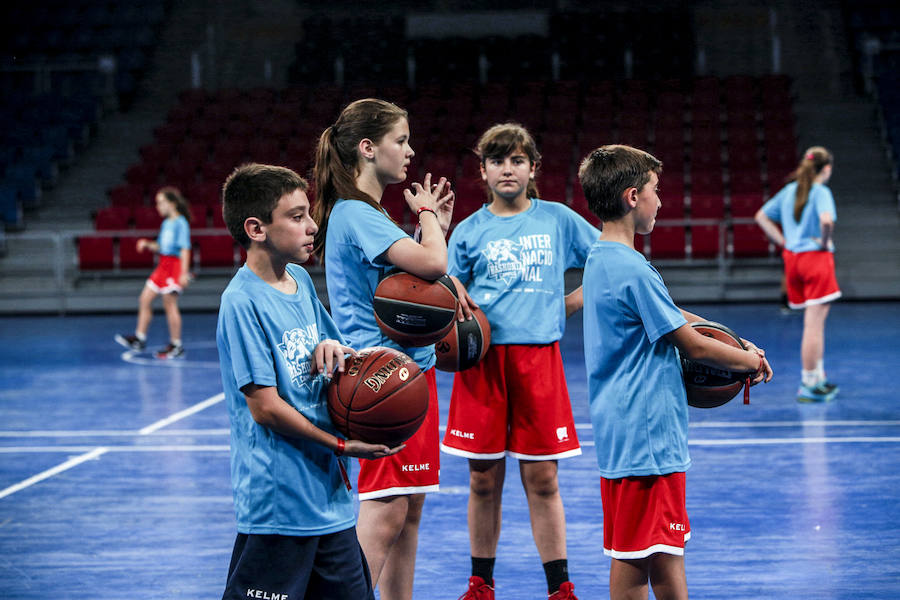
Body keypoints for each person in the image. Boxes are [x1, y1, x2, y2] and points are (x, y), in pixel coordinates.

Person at [577, 144, 773, 600]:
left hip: (620, 429)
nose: (660, 201)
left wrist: (741, 342)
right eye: (655, 190)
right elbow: (690, 342)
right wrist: (749, 362)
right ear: (632, 197)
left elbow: (669, 313)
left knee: (641, 553)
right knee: (659, 555)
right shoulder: (632, 268)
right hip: (649, 435)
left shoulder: (601, 258)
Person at [216, 163, 403, 600]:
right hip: (280, 504)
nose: (311, 225)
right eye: (296, 216)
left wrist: (336, 351)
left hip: (329, 498)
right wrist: (342, 445)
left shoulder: (298, 279)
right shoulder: (241, 303)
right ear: (256, 228)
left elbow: (339, 350)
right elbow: (265, 408)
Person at [312, 98, 474, 600]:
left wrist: (435, 234)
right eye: (400, 141)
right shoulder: (357, 213)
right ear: (367, 148)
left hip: (406, 373)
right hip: (381, 382)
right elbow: (429, 264)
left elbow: (417, 275)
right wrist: (427, 217)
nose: (409, 151)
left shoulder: (367, 214)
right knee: (385, 510)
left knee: (407, 510)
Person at [440, 123, 599, 600]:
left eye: (516, 160)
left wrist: (568, 302)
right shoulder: (469, 231)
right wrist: (453, 294)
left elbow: (613, 257)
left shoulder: (558, 219)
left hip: (539, 361)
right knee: (483, 478)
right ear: (483, 170)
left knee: (543, 477)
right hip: (482, 365)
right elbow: (445, 292)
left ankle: (560, 587)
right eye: (497, 161)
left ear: (533, 169)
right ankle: (481, 582)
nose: (506, 169)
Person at [755, 146, 840, 402]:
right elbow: (827, 221)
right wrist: (825, 243)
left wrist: (784, 241)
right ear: (826, 169)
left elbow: (761, 217)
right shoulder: (821, 191)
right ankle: (808, 384)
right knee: (814, 326)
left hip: (793, 261)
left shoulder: (790, 190)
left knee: (811, 324)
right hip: (816, 258)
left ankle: (817, 378)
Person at [114, 186, 192, 359]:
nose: (158, 207)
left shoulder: (181, 223)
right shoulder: (166, 223)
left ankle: (176, 345)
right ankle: (139, 339)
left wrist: (183, 273)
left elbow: (185, 249)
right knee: (145, 299)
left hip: (174, 266)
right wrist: (147, 244)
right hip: (162, 265)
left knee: (169, 305)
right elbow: (160, 246)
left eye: (161, 202)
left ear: (172, 203)